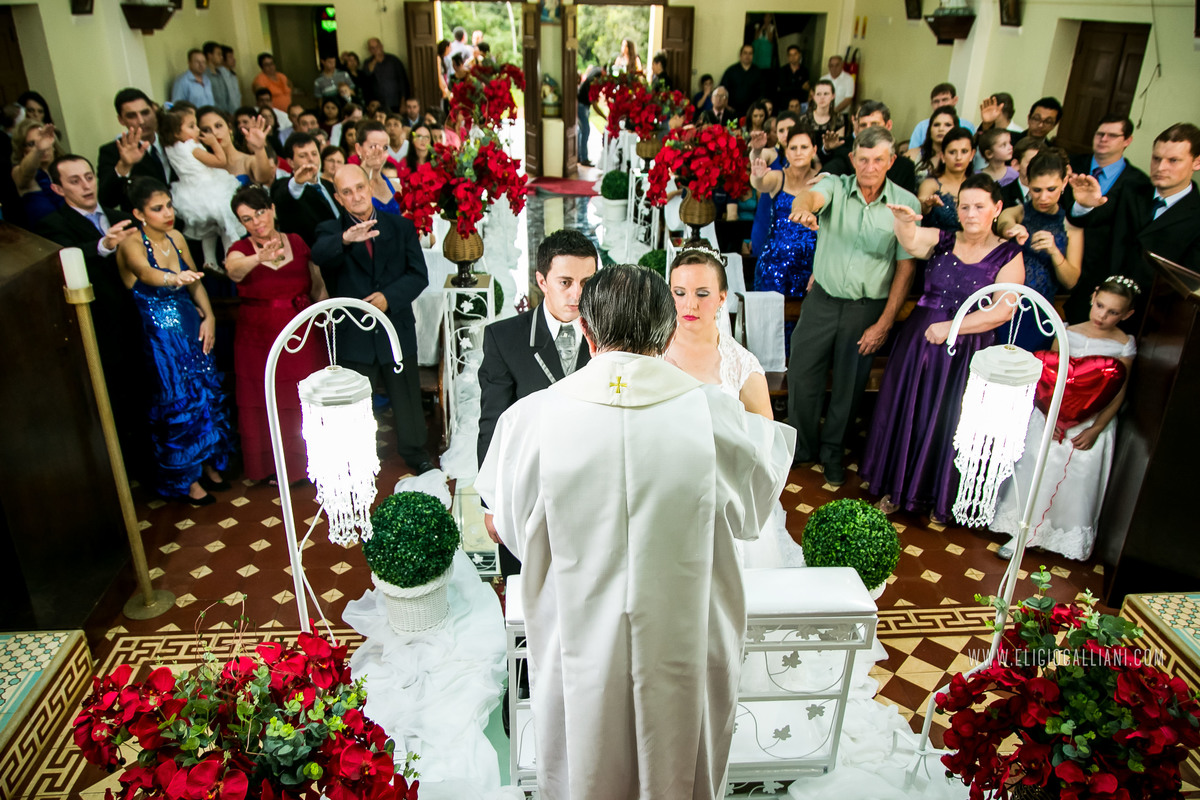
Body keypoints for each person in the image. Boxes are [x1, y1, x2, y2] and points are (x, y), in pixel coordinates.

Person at [475, 263, 794, 800]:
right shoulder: (715, 414)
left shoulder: (531, 419)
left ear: (586, 331)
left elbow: (508, 525)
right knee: (680, 752)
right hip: (685, 629)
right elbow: (753, 513)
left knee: (583, 750)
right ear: (667, 330)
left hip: (575, 635)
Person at [861, 174, 1023, 521]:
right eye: (964, 206)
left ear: (996, 209)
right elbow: (913, 241)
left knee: (951, 420)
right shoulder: (945, 239)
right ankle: (895, 488)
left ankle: (937, 497)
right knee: (910, 411)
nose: (970, 213)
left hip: (966, 351)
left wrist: (953, 328)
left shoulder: (1009, 255)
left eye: (979, 206)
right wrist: (904, 223)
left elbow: (1002, 310)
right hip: (920, 343)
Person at [785, 126, 920, 486]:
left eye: (878, 160)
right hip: (823, 300)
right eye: (863, 159)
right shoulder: (837, 187)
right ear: (853, 159)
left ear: (891, 161)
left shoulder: (905, 204)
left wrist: (885, 323)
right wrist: (803, 211)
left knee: (849, 384)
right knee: (801, 371)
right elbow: (809, 198)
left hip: (866, 307)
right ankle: (801, 447)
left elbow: (906, 269)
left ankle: (832, 453)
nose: (870, 167)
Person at [477, 229, 598, 579]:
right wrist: (492, 502)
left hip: (590, 486)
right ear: (541, 281)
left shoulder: (609, 335)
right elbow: (492, 424)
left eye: (587, 282)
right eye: (566, 282)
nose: (578, 294)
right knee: (527, 583)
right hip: (529, 486)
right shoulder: (504, 339)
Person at [991, 276, 1138, 560]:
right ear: (1093, 297)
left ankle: (1058, 536)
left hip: (1091, 423)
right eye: (1100, 306)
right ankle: (1021, 532)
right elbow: (1050, 376)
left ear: (1127, 315)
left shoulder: (1124, 344)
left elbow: (1119, 390)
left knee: (1076, 479)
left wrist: (1097, 427)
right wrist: (1052, 417)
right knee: (1037, 469)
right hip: (1051, 415)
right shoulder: (1066, 330)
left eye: (1113, 312)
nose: (1102, 316)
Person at [116, 177, 233, 504]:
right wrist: (172, 278)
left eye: (169, 205)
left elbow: (195, 282)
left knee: (206, 395)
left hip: (193, 329)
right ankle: (187, 478)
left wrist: (208, 317)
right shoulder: (131, 245)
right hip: (161, 341)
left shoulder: (177, 236)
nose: (168, 213)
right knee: (178, 401)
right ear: (139, 214)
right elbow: (146, 274)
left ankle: (209, 462)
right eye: (157, 209)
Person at [312, 164, 432, 474]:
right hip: (355, 337)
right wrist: (346, 239)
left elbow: (418, 275)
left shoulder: (401, 227)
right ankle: (355, 458)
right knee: (355, 401)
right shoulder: (330, 232)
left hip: (396, 327)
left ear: (369, 187)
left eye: (360, 188)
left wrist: (388, 298)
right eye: (347, 192)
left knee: (405, 393)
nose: (356, 196)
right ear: (339, 198)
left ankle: (414, 451)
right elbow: (321, 255)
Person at [38, 154, 148, 470]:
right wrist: (104, 245)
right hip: (100, 326)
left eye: (89, 176)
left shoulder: (122, 216)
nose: (86, 185)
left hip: (138, 319)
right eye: (74, 180)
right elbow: (66, 257)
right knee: (115, 400)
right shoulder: (53, 225)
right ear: (58, 189)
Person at [225, 185, 328, 484]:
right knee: (265, 398)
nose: (257, 222)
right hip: (257, 337)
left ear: (272, 210)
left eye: (260, 213)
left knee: (302, 397)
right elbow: (233, 270)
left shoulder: (296, 240)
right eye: (247, 219)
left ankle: (312, 463)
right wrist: (258, 258)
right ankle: (273, 467)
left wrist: (323, 312)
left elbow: (317, 282)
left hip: (302, 332)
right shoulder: (240, 250)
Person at [1068, 122, 1200, 294]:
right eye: (1156, 158)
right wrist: (1084, 205)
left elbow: (1187, 281)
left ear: (1196, 163)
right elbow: (1089, 221)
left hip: (1149, 311)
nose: (1160, 168)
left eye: (1173, 161)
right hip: (1095, 295)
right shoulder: (1131, 189)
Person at [665, 242, 771, 417]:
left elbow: (766, 438)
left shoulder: (743, 366)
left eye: (702, 294)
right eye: (680, 293)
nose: (690, 305)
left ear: (722, 297)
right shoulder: (651, 351)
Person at [1061, 115, 1150, 324]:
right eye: (1100, 134)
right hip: (1061, 259)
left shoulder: (1138, 183)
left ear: (1127, 140)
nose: (1103, 139)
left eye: (1112, 135)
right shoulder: (1071, 165)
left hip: (1102, 270)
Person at [996, 149, 1082, 351]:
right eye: (1036, 190)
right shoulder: (1018, 212)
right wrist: (1011, 229)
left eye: (1051, 189)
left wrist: (1054, 251)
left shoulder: (1071, 224)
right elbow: (1004, 221)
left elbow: (1070, 281)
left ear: (1064, 182)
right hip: (1004, 303)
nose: (1043, 197)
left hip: (1040, 313)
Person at [158, 106, 243, 269]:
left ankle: (209, 261)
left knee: (208, 230)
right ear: (176, 132)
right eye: (192, 126)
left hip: (188, 193)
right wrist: (213, 143)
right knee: (226, 222)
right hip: (209, 189)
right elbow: (220, 161)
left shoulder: (170, 148)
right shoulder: (191, 147)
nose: (197, 130)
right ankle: (230, 258)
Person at [750, 127, 819, 297]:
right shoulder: (778, 177)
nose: (798, 152)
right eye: (793, 148)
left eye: (804, 147)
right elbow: (759, 183)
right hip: (773, 264)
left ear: (814, 150)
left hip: (809, 267)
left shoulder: (822, 180)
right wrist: (758, 174)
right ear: (786, 152)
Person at [97, 89, 173, 212]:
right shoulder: (113, 151)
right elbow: (107, 201)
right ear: (121, 120)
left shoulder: (174, 140)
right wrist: (124, 166)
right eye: (132, 116)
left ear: (154, 111)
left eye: (145, 113)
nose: (141, 121)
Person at [821, 100, 919, 196]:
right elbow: (833, 168)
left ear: (888, 125)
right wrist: (824, 177)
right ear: (857, 128)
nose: (869, 129)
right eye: (863, 125)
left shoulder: (905, 167)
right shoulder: (846, 156)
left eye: (874, 124)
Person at [271, 132, 339, 247]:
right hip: (312, 258)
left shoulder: (331, 186)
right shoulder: (284, 186)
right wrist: (298, 182)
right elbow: (283, 196)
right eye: (303, 156)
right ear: (290, 162)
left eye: (314, 154)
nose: (311, 159)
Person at [917, 126, 975, 232]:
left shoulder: (978, 185)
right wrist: (927, 204)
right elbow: (920, 204)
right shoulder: (931, 184)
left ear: (972, 154)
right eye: (952, 152)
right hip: (936, 246)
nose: (958, 157)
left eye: (964, 151)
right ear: (942, 156)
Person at [197, 106, 274, 187]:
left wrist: (259, 148)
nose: (214, 132)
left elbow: (264, 178)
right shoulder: (202, 167)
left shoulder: (248, 161)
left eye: (218, 126)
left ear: (229, 128)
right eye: (206, 130)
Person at [10, 119, 65, 226]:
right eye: (31, 144)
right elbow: (25, 173)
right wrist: (38, 149)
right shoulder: (19, 172)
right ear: (22, 150)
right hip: (46, 238)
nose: (43, 146)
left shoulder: (65, 167)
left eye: (44, 139)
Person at [906, 83, 976, 154]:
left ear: (955, 100)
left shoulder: (967, 126)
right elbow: (912, 153)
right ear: (932, 104)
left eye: (945, 100)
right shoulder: (921, 126)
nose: (940, 105)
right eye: (936, 101)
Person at [356, 119, 402, 214]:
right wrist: (367, 168)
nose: (379, 152)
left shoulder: (396, 187)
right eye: (373, 147)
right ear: (359, 149)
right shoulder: (351, 188)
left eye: (385, 147)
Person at [802, 79, 851, 163]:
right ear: (813, 96)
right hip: (808, 159)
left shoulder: (839, 118)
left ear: (833, 96)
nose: (822, 97)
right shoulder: (805, 118)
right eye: (818, 94)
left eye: (826, 94)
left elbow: (838, 145)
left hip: (831, 159)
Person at [911, 105, 960, 183]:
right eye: (936, 125)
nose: (941, 129)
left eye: (947, 125)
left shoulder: (960, 158)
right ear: (930, 129)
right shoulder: (913, 155)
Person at [365, 38, 410, 111]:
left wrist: (403, 103)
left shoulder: (393, 60)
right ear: (369, 50)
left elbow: (403, 82)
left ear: (381, 46)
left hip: (395, 102)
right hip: (378, 104)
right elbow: (367, 74)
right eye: (372, 48)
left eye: (377, 47)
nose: (375, 50)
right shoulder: (368, 62)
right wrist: (375, 59)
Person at [1000, 136, 1044, 209]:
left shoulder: (1053, 194)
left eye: (1041, 163)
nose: (1037, 168)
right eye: (1031, 163)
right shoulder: (1002, 195)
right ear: (1016, 164)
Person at [720, 45, 762, 114]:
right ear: (740, 55)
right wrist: (726, 106)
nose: (747, 56)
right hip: (732, 111)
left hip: (751, 112)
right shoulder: (731, 71)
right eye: (745, 53)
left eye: (750, 53)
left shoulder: (758, 72)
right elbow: (722, 89)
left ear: (753, 55)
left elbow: (762, 93)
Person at [578, 64, 604, 167]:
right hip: (582, 105)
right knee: (585, 131)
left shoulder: (595, 72)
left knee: (582, 131)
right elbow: (594, 104)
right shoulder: (594, 81)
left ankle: (580, 156)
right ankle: (583, 158)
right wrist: (604, 117)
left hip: (583, 105)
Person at [203, 42, 237, 114]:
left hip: (226, 112)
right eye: (218, 54)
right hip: (213, 113)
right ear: (209, 55)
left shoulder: (221, 74)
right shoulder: (204, 76)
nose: (221, 57)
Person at [774, 45, 810, 110]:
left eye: (795, 54)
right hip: (784, 105)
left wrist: (792, 87)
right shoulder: (782, 70)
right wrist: (800, 87)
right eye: (790, 55)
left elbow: (805, 89)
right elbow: (783, 88)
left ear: (799, 55)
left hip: (800, 105)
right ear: (788, 57)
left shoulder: (804, 71)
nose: (793, 57)